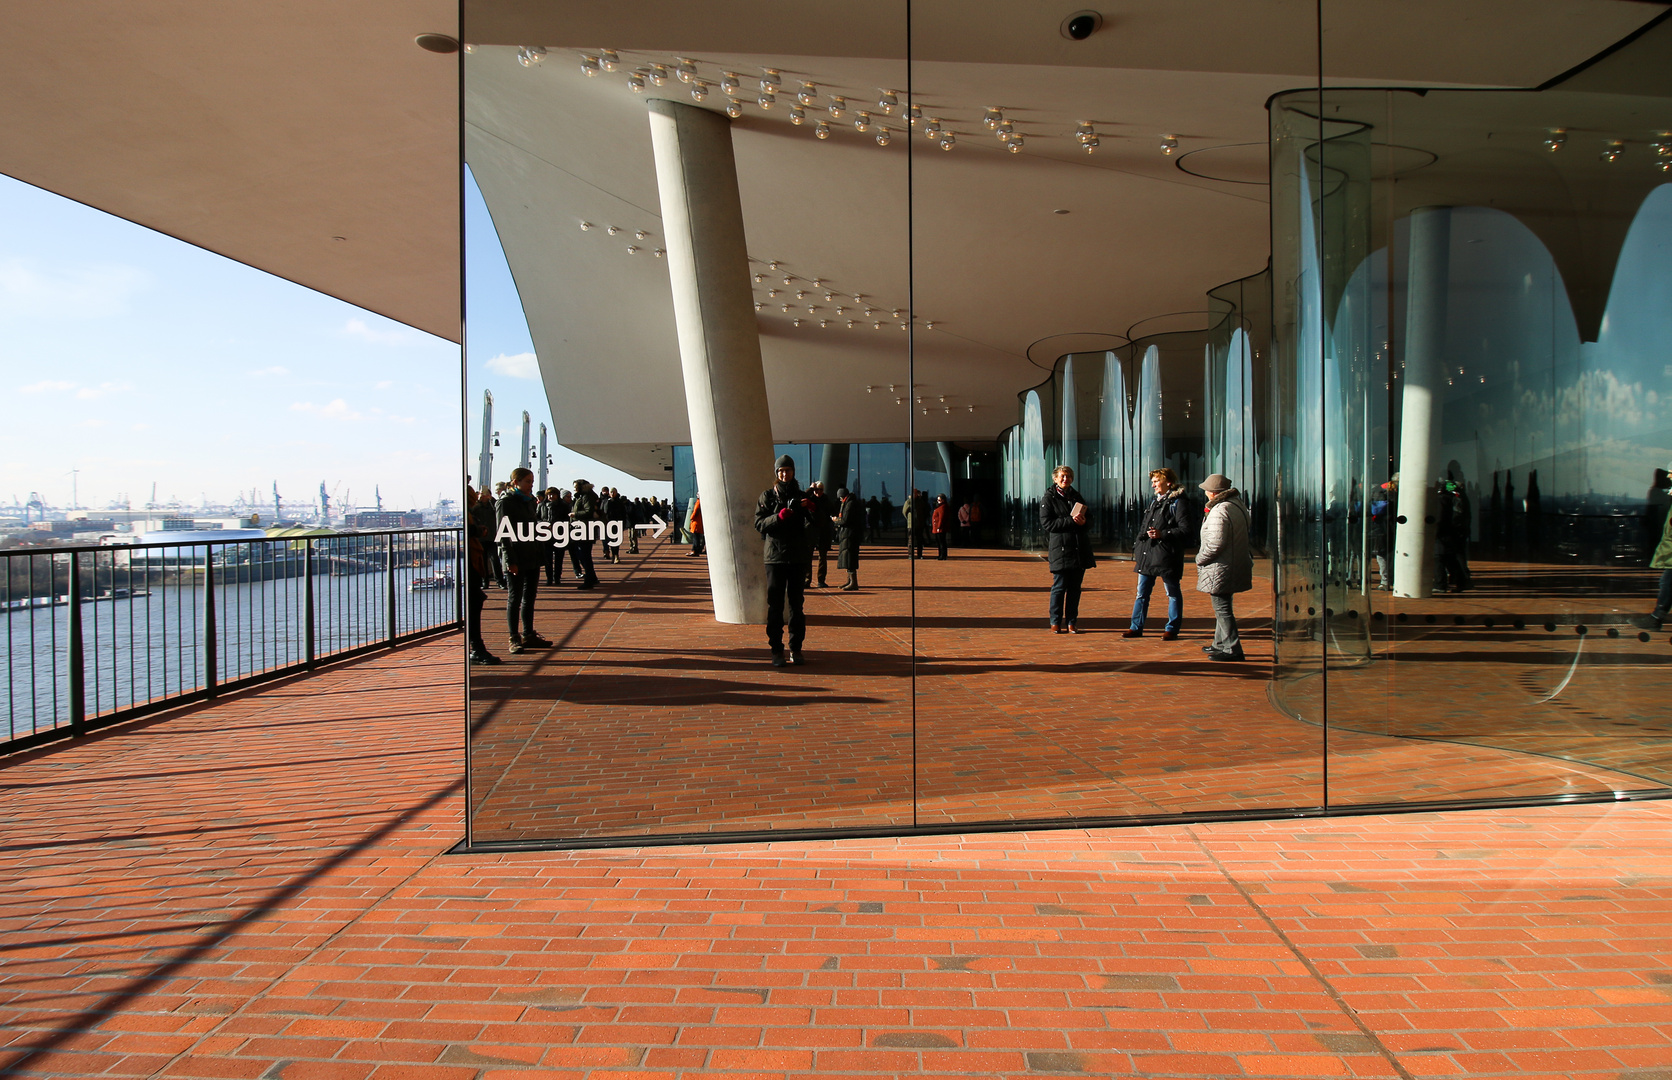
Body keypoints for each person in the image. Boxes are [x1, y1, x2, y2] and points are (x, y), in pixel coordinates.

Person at [755, 454, 816, 667]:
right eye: (781, 471)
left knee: (797, 605)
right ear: (776, 473)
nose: (784, 474)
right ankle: (776, 650)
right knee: (775, 605)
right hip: (775, 558)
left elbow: (818, 524)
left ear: (793, 472)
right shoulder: (767, 496)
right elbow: (759, 524)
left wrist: (811, 508)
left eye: (787, 470)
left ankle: (796, 648)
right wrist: (779, 516)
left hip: (798, 557)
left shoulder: (802, 496)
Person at [1125, 467, 1193, 640]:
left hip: (1166, 555)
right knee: (1142, 593)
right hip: (1148, 554)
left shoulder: (1179, 502)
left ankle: (1172, 628)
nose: (1153, 485)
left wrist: (1164, 534)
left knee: (1172, 592)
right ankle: (1136, 627)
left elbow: (1186, 530)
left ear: (1168, 482)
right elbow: (1144, 526)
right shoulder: (1155, 501)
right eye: (1153, 482)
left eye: (1156, 481)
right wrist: (1139, 544)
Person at [1195, 473, 1253, 661]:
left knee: (1222, 607)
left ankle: (1232, 648)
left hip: (1222, 566)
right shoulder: (1238, 506)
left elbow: (1215, 544)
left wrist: (1199, 558)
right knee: (1224, 604)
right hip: (1234, 563)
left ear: (1213, 493)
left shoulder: (1220, 510)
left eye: (1206, 491)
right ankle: (1219, 643)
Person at [496, 468, 554, 655]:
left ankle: (528, 633)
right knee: (515, 597)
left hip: (532, 555)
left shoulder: (529, 502)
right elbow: (503, 533)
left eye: (532, 481)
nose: (531, 485)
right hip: (516, 556)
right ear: (516, 482)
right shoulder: (505, 503)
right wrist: (509, 560)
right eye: (528, 481)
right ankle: (514, 636)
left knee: (529, 596)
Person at [1041, 465, 1095, 633]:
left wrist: (1084, 522)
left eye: (1069, 476)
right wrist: (1071, 520)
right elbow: (1047, 524)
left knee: (1075, 589)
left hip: (1079, 550)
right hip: (1061, 550)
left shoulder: (1076, 496)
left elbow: (1090, 520)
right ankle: (1055, 621)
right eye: (1063, 476)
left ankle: (1072, 622)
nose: (1066, 479)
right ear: (1055, 479)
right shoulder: (1049, 498)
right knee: (1059, 587)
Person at [464, 486, 499, 666]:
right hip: (470, 562)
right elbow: (468, 531)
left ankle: (475, 647)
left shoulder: (470, 512)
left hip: (472, 560)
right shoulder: (468, 512)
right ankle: (476, 647)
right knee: (474, 602)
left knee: (474, 601)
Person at [568, 479, 600, 589]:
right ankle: (592, 577)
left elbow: (588, 511)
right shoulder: (582, 496)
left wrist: (574, 514)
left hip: (584, 529)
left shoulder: (586, 496)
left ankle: (589, 579)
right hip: (581, 528)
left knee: (584, 555)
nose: (574, 489)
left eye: (576, 486)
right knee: (583, 555)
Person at [805, 480, 835, 587]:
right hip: (811, 530)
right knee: (808, 556)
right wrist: (810, 489)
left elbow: (832, 511)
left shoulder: (826, 500)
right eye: (816, 490)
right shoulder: (810, 499)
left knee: (822, 557)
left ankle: (821, 580)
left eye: (820, 489)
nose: (818, 492)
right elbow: (802, 497)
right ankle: (807, 579)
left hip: (823, 531)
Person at [834, 486, 861, 590]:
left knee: (850, 558)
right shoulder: (850, 502)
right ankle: (849, 580)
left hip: (850, 535)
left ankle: (853, 582)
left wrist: (836, 520)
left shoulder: (850, 504)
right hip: (848, 535)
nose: (840, 500)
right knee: (848, 558)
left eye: (840, 498)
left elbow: (845, 519)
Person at [539, 487, 564, 585]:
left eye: (553, 494)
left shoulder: (563, 506)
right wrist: (542, 524)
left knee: (559, 558)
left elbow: (566, 519)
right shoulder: (542, 506)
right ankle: (549, 578)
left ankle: (557, 578)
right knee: (547, 559)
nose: (551, 496)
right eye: (549, 494)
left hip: (559, 534)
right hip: (546, 535)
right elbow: (537, 517)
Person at [930, 494, 951, 559]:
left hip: (940, 528)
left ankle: (943, 555)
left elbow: (942, 518)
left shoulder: (943, 507)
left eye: (939, 500)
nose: (938, 501)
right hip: (937, 527)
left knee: (941, 542)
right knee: (939, 542)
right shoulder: (939, 507)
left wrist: (939, 526)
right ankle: (940, 554)